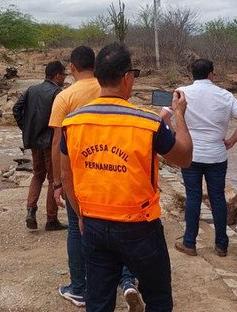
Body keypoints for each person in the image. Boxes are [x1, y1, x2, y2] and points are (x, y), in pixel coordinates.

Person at [60, 43, 193, 312]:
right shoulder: (147, 122)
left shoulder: (73, 122)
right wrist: (178, 114)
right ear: (128, 77)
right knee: (157, 299)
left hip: (94, 225)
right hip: (140, 227)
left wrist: (81, 214)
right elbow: (185, 157)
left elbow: (66, 174)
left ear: (98, 76)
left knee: (98, 302)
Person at [49, 46, 143, 310]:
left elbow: (58, 142)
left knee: (78, 232)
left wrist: (57, 183)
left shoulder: (65, 97)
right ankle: (126, 281)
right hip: (115, 168)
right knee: (120, 225)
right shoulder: (113, 88)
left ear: (72, 68)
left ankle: (79, 288)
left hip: (79, 177)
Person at [173, 58, 237, 257]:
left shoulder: (182, 92)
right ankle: (221, 245)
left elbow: (163, 116)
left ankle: (189, 243)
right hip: (216, 154)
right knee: (217, 197)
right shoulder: (225, 95)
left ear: (192, 74)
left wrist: (176, 136)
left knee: (193, 196)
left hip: (190, 154)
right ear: (211, 74)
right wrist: (232, 140)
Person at [12, 60, 68, 231]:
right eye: (63, 75)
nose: (65, 78)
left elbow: (16, 109)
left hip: (34, 141)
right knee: (53, 179)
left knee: (37, 175)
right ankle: (51, 219)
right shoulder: (58, 93)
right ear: (57, 75)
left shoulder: (31, 90)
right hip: (51, 142)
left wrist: (26, 128)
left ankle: (31, 210)